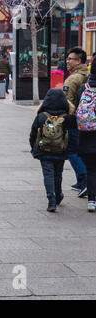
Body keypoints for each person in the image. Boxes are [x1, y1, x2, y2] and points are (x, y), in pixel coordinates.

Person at [29, 89, 77, 212]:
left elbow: (33, 134)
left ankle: (51, 200)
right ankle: (59, 194)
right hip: (60, 151)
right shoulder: (68, 118)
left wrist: (33, 148)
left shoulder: (41, 117)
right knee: (58, 174)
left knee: (48, 174)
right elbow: (73, 136)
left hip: (44, 151)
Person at [63, 47, 89, 196]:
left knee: (72, 151)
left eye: (70, 59)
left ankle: (84, 181)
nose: (67, 61)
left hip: (74, 121)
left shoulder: (73, 78)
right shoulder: (88, 74)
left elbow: (67, 102)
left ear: (78, 61)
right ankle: (83, 182)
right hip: (88, 120)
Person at [75, 58, 96, 212]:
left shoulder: (84, 88)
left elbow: (76, 111)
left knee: (91, 170)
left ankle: (91, 201)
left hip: (87, 137)